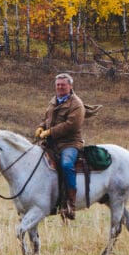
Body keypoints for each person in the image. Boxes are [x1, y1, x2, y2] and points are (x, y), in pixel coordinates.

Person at [35, 73, 85, 220]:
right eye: (57, 85)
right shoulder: (53, 101)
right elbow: (46, 119)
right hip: (52, 143)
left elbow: (71, 125)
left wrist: (50, 132)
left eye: (63, 84)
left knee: (66, 164)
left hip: (70, 143)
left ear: (70, 86)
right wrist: (40, 127)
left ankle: (70, 203)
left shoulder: (76, 104)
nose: (60, 87)